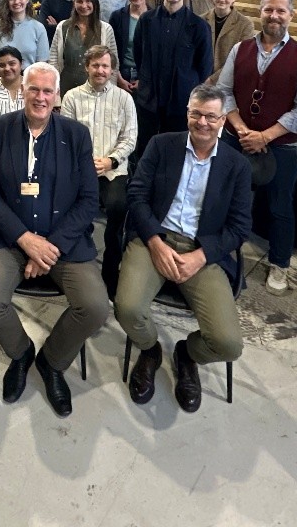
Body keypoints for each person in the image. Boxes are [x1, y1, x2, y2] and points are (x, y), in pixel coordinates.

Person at [0, 62, 108, 418]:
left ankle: (52, 361)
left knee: (95, 307)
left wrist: (51, 247)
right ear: (23, 91)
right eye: (34, 89)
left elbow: (89, 201)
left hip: (63, 242)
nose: (40, 97)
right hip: (10, 237)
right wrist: (25, 239)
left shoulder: (76, 135)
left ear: (57, 96)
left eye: (48, 91)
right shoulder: (0, 130)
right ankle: (21, 353)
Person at [116, 84, 251, 412]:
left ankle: (186, 355)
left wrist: (201, 256)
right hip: (154, 238)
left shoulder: (236, 165)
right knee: (128, 309)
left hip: (202, 251)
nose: (202, 122)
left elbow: (239, 227)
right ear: (187, 113)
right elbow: (136, 194)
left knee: (228, 344)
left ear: (223, 121)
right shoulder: (161, 145)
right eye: (196, 114)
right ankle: (150, 350)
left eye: (211, 116)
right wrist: (155, 242)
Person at [216, 0, 297, 293]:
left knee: (279, 207)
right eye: (268, 10)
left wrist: (265, 136)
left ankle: (279, 263)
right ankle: (219, 252)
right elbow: (224, 91)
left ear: (291, 16)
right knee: (225, 198)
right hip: (235, 139)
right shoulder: (241, 49)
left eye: (280, 11)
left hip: (280, 146)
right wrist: (240, 129)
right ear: (260, 13)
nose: (274, 16)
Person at [60, 46, 137, 297]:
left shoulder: (124, 99)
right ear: (86, 67)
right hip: (80, 169)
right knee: (75, 211)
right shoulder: (71, 97)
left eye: (105, 66)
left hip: (113, 168)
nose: (100, 70)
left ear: (112, 69)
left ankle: (111, 272)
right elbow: (66, 138)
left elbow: (130, 137)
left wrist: (111, 161)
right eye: (95, 65)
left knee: (118, 207)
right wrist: (86, 163)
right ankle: (79, 266)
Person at [134, 0, 214, 155]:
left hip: (180, 104)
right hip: (149, 102)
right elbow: (139, 56)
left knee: (175, 153)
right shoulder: (146, 21)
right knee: (145, 151)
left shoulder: (199, 26)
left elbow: (204, 68)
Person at [48, 0, 117, 96]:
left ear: (94, 3)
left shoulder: (105, 29)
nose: (84, 5)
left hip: (97, 90)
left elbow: (113, 64)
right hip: (66, 88)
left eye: (88, 1)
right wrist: (53, 89)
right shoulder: (62, 27)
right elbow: (53, 60)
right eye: (79, 1)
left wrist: (110, 92)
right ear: (74, 3)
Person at [0, 0, 50, 78]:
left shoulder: (38, 28)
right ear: (7, 2)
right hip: (2, 79)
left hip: (29, 80)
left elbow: (42, 63)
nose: (16, 2)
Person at [201, 0, 254, 84]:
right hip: (200, 79)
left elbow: (241, 58)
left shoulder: (245, 25)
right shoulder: (200, 20)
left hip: (228, 81)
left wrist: (212, 80)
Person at [112, 0, 149, 94]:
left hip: (146, 75)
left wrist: (143, 79)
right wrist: (118, 78)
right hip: (122, 73)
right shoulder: (117, 17)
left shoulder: (155, 18)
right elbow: (111, 48)